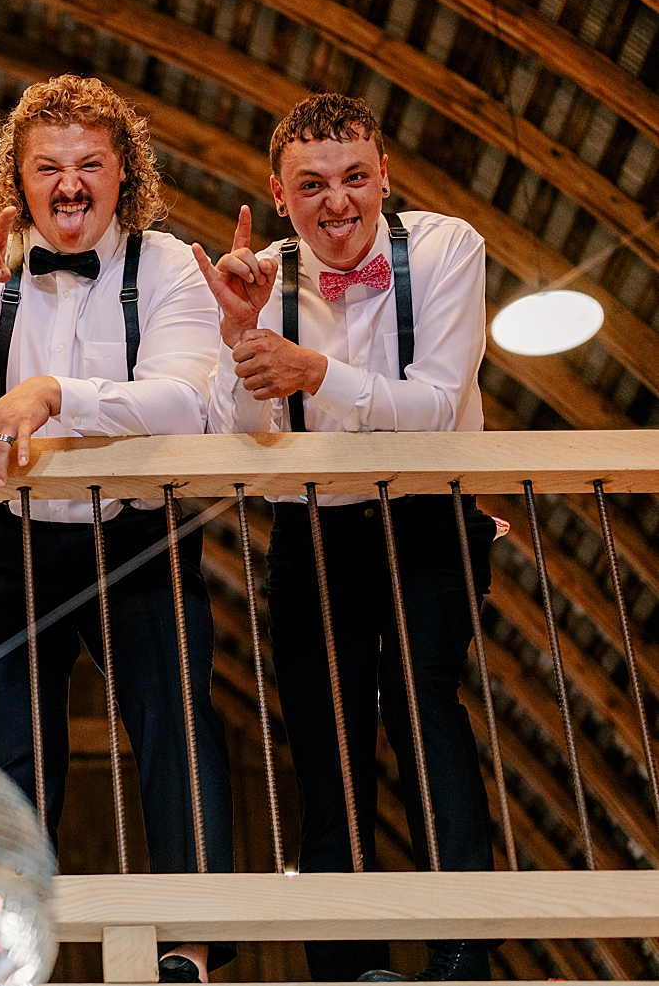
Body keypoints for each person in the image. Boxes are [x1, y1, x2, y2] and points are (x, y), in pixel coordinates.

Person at [0, 75, 233, 986]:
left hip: (138, 540)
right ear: (18, 179)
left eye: (91, 162)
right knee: (12, 752)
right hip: (3, 543)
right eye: (48, 166)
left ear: (123, 171)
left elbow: (186, 401)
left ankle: (189, 947)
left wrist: (53, 393)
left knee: (173, 722)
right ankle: (15, 955)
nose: (71, 183)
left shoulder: (166, 265)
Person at [200, 93, 497, 986]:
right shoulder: (259, 274)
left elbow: (438, 405)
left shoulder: (447, 248)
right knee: (324, 742)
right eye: (314, 184)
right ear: (279, 193)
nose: (339, 202)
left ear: (385, 177)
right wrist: (240, 332)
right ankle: (344, 967)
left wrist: (316, 370)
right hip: (311, 528)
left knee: (423, 707)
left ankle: (460, 956)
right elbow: (236, 432)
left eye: (356, 178)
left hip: (427, 516)